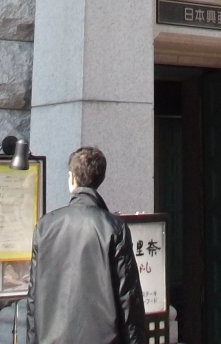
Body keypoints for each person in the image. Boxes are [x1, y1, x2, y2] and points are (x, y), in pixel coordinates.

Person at [25, 145, 147, 344]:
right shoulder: (114, 227)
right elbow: (128, 298)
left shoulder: (44, 226)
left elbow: (33, 297)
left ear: (72, 178)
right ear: (101, 178)